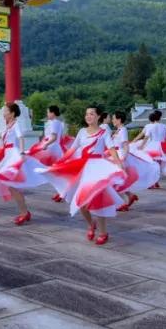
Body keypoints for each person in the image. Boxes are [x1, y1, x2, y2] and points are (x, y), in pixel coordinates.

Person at [37, 105, 126, 245]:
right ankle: (91, 224)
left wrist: (119, 164)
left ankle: (103, 232)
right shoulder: (82, 132)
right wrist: (59, 162)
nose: (88, 116)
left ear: (98, 116)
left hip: (98, 169)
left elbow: (112, 149)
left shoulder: (104, 133)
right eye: (86, 114)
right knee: (82, 201)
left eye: (91, 114)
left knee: (99, 200)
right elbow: (72, 150)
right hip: (83, 168)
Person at [0, 103, 47, 225]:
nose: (4, 113)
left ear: (12, 113)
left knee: (13, 186)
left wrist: (22, 153)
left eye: (6, 111)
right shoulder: (8, 126)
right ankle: (24, 212)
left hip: (14, 155)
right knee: (11, 186)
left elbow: (21, 138)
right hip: (7, 155)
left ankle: (24, 213)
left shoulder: (16, 124)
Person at [110, 110, 160, 211]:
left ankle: (120, 203)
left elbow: (125, 145)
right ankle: (129, 196)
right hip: (116, 155)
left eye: (114, 118)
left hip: (120, 156)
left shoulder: (123, 130)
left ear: (119, 119)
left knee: (115, 180)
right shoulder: (118, 130)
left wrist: (123, 159)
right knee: (116, 180)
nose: (112, 120)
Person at [132, 110, 166, 187]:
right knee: (158, 165)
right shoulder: (164, 126)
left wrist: (140, 145)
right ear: (160, 118)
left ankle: (152, 182)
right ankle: (156, 181)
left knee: (151, 164)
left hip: (151, 146)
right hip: (160, 147)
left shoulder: (149, 126)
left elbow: (145, 137)